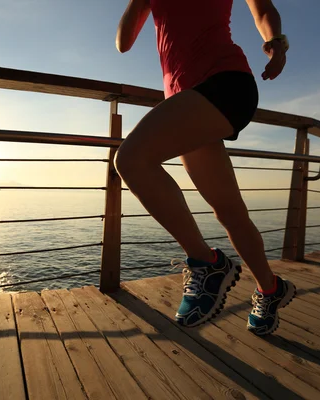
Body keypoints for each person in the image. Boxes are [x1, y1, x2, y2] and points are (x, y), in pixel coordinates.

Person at [115, 0, 295, 336]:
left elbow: (262, 9)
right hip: (185, 97)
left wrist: (277, 42)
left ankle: (206, 262)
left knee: (132, 159)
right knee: (230, 212)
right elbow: (123, 43)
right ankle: (271, 290)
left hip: (225, 83)